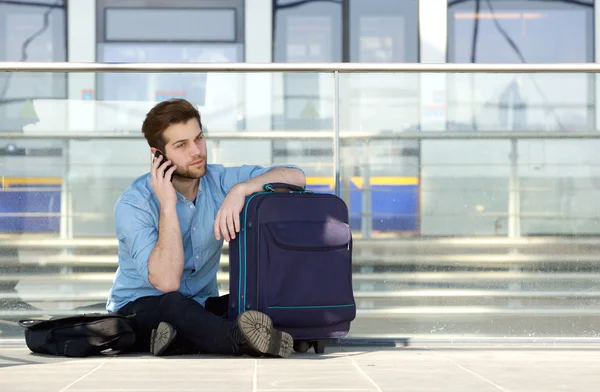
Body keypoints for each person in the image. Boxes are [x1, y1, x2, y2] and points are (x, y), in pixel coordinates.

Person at [105, 98, 306, 358]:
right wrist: (167, 204)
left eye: (199, 138)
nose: (197, 151)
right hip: (136, 311)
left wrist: (240, 189)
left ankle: (180, 340)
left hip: (200, 307)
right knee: (173, 305)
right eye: (182, 145)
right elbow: (167, 282)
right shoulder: (134, 204)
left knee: (255, 298)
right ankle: (238, 339)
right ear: (158, 156)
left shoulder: (219, 181)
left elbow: (296, 176)